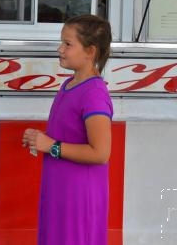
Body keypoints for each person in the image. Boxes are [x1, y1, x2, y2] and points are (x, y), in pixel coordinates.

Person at [22, 14, 113, 245]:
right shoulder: (70, 84)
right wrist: (39, 139)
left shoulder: (94, 93)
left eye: (68, 44)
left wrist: (51, 146)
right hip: (61, 190)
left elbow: (100, 153)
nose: (60, 49)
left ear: (90, 51)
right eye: (61, 42)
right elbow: (67, 135)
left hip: (79, 196)